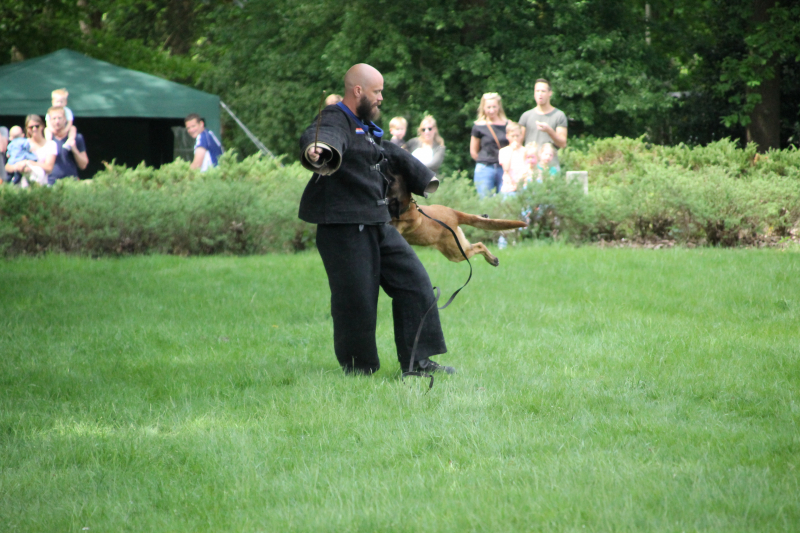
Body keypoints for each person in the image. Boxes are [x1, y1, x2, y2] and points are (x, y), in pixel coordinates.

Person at [299, 63, 454, 376]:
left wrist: (422, 179)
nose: (382, 97)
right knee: (356, 300)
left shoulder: (364, 127)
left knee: (415, 283)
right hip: (343, 228)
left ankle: (417, 363)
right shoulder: (336, 117)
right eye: (377, 91)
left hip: (377, 223)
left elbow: (387, 153)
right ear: (358, 91)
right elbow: (323, 134)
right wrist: (318, 147)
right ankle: (359, 369)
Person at [518, 79, 568, 170]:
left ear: (550, 93)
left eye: (543, 91)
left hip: (551, 167)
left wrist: (549, 131)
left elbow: (563, 143)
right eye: (537, 91)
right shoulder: (526, 116)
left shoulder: (559, 115)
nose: (540, 94)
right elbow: (518, 142)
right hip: (530, 167)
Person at [470, 92, 509, 197]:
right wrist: (484, 160)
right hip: (485, 168)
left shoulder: (507, 125)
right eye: (488, 107)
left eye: (494, 107)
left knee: (507, 202)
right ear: (483, 108)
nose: (491, 110)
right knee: (485, 202)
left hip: (504, 169)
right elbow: (473, 151)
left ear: (499, 107)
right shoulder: (478, 126)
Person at [4, 115, 56, 187]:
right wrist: (18, 166)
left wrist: (29, 163)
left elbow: (49, 168)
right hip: (22, 186)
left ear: (42, 126)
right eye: (31, 127)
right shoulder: (21, 143)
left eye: (37, 126)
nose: (34, 129)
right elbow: (8, 167)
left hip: (41, 185)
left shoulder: (51, 144)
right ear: (27, 129)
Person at [48, 106, 89, 184]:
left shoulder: (76, 138)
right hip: (50, 183)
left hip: (71, 183)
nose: (57, 121)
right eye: (54, 118)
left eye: (59, 118)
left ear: (65, 119)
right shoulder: (46, 138)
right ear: (49, 120)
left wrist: (74, 149)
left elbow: (83, 165)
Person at [499, 121, 529, 194]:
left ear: (521, 135)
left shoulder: (526, 150)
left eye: (517, 136)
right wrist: (512, 149)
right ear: (507, 136)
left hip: (523, 184)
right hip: (509, 186)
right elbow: (506, 168)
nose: (515, 138)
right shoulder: (504, 151)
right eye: (512, 136)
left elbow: (528, 167)